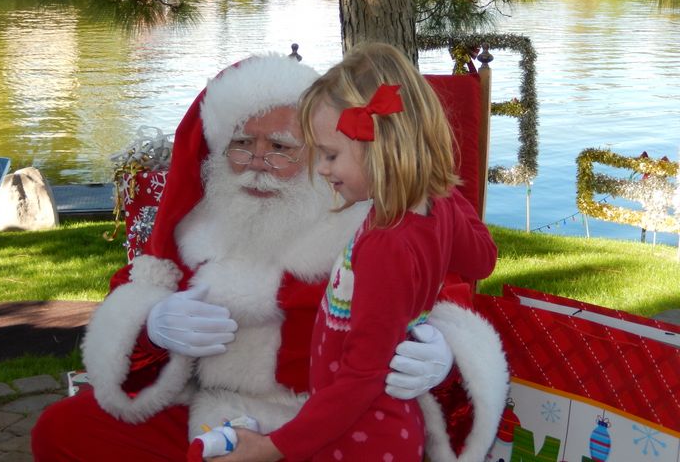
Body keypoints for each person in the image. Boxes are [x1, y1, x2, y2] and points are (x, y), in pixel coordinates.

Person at [31, 53, 508, 461]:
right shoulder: (196, 223)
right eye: (242, 144)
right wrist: (152, 326)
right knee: (63, 430)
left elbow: (450, 289)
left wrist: (444, 353)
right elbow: (128, 312)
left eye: (281, 147)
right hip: (207, 406)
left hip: (322, 421)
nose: (258, 161)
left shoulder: (370, 214)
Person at [222, 42, 498, 461]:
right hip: (382, 426)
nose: (322, 169)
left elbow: (361, 376)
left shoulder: (385, 244)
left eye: (331, 155)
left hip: (360, 435)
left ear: (380, 145)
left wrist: (274, 447)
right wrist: (443, 187)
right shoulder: (432, 207)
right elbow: (482, 258)